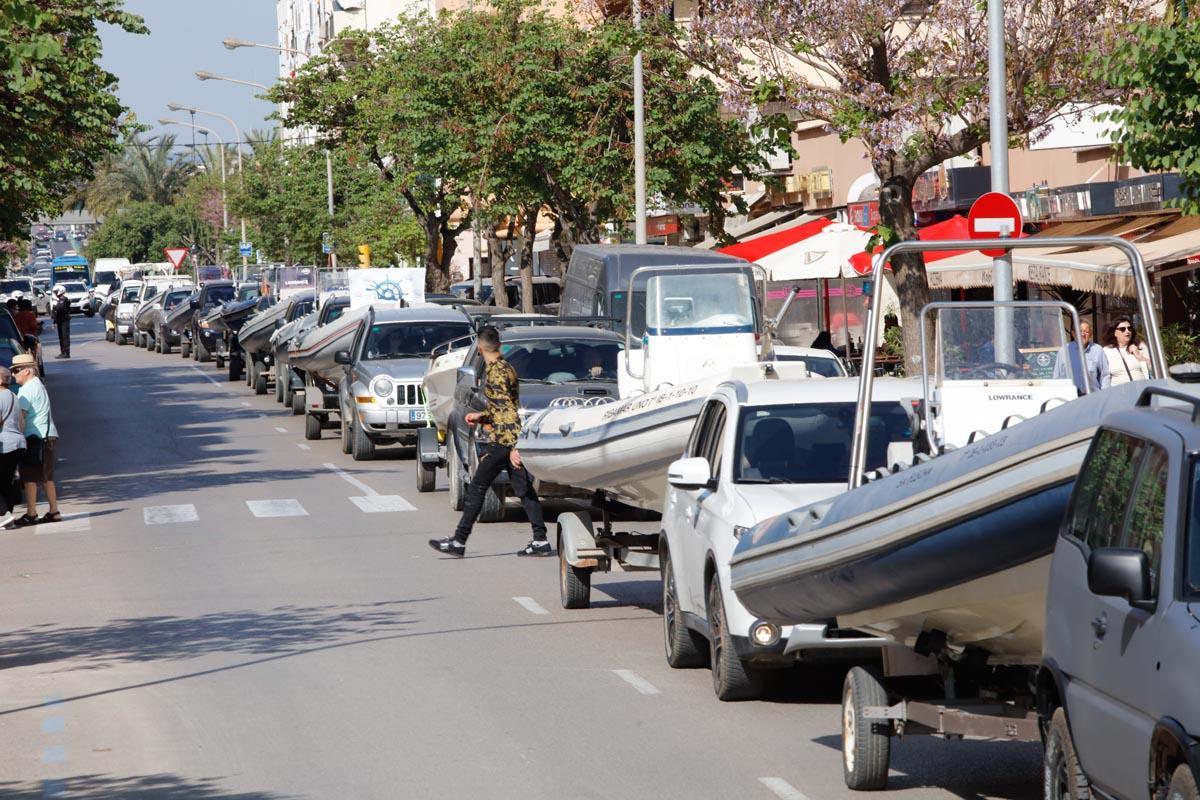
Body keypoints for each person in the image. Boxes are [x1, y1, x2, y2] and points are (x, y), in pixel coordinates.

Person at [429, 326, 550, 558]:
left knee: (477, 487)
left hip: (504, 442)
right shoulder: (506, 367)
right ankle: (540, 540)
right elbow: (502, 409)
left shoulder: (496, 373)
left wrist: (515, 447)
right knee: (524, 490)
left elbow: (509, 413)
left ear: (480, 346)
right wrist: (481, 416)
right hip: (506, 439)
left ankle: (459, 540)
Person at [11, 353, 59, 526]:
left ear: (28, 371)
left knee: (29, 476)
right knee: (46, 476)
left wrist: (17, 438)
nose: (14, 374)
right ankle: (54, 511)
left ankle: (31, 513)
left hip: (35, 437)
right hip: (47, 435)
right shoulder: (38, 385)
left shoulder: (27, 389)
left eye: (17, 370)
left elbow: (21, 418)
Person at [1055, 320, 1110, 394]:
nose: (1083, 334)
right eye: (1079, 331)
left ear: (1090, 334)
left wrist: (1104, 395)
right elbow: (1057, 377)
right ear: (1073, 333)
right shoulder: (1064, 351)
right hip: (1070, 398)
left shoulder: (1098, 350)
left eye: (1086, 332)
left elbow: (1105, 376)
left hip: (1092, 398)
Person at [0, 366, 25, 528]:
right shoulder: (14, 396)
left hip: (4, 445)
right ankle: (7, 518)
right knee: (6, 482)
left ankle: (3, 514)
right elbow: (21, 422)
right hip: (18, 443)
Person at [1105, 316, 1150, 385]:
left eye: (1129, 328)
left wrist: (1138, 355)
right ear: (1114, 333)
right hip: (1119, 393)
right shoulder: (1107, 351)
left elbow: (1153, 368)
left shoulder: (1140, 346)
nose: (1127, 331)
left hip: (1140, 390)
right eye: (1122, 329)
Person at [51, 285, 70, 359]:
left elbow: (59, 311)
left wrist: (54, 321)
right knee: (61, 337)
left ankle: (66, 352)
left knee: (65, 337)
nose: (55, 293)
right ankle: (63, 352)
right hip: (60, 321)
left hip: (64, 321)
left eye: (56, 291)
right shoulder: (60, 300)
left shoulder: (63, 300)